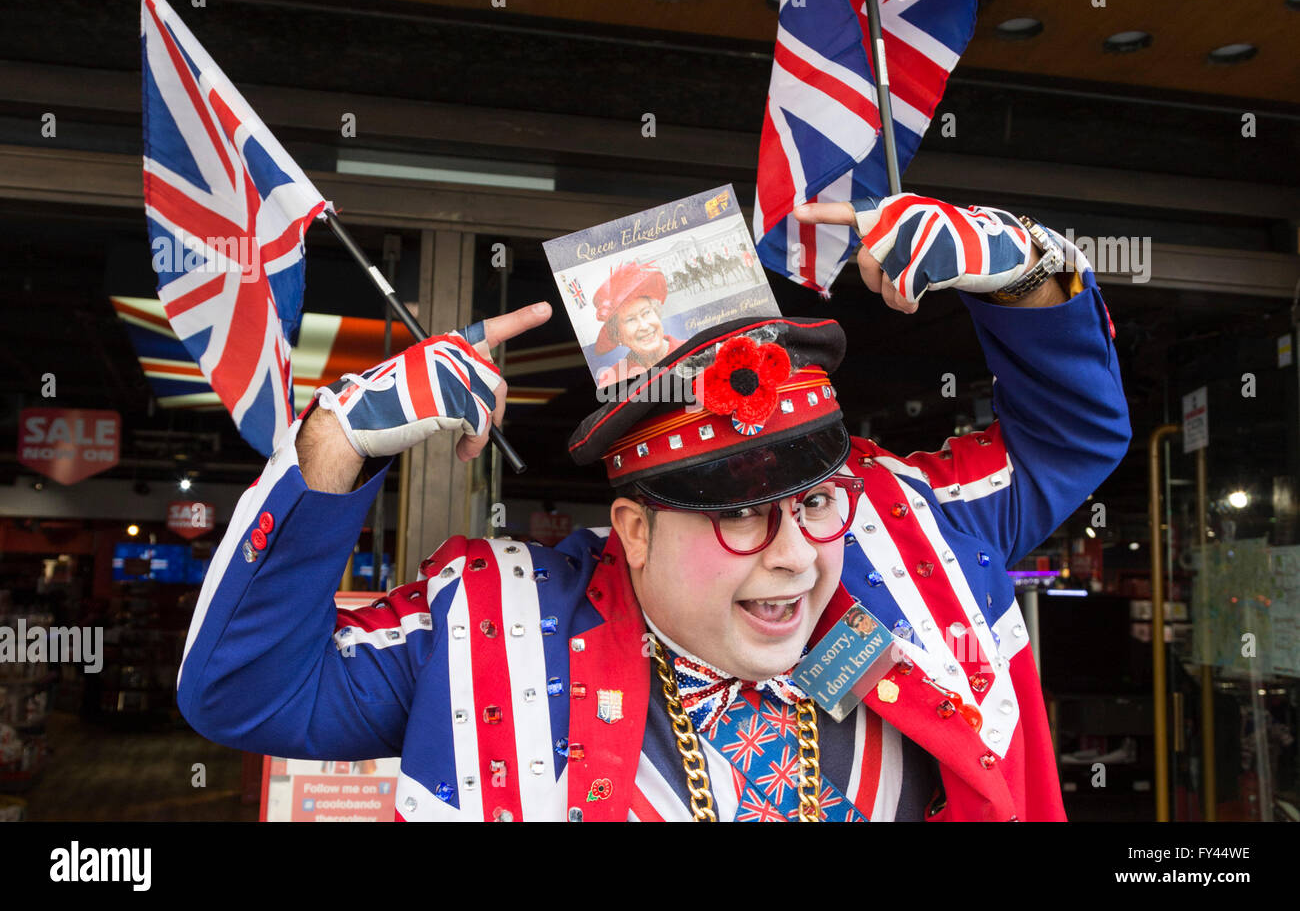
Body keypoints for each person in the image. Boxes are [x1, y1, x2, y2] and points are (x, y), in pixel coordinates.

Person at [176, 193, 1130, 821]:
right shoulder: (487, 623)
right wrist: (338, 441)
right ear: (634, 530)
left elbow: (1074, 440)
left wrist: (1030, 271)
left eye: (817, 504)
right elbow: (241, 690)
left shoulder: (904, 523)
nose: (797, 555)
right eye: (742, 517)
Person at [592, 260, 682, 387]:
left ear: (657, 314)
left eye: (646, 312)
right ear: (618, 335)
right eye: (630, 320)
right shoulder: (612, 380)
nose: (644, 326)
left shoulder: (696, 352)